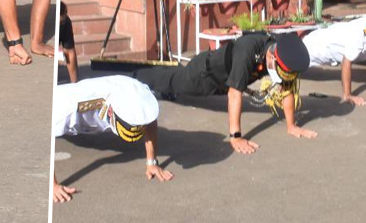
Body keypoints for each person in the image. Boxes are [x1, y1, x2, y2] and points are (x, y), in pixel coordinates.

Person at [133, 32, 313, 154]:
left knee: (173, 82)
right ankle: (136, 76)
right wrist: (236, 137)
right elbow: (235, 93)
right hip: (205, 73)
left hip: (224, 82)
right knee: (174, 82)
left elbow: (287, 89)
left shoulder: (279, 53)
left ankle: (158, 81)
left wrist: (292, 126)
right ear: (272, 57)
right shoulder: (248, 50)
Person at [52, 75, 171, 202]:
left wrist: (151, 163)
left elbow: (149, 119)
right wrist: (52, 185)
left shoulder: (139, 93)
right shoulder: (66, 109)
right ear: (110, 112)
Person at [57, 1, 78, 84]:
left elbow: (69, 51)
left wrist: (74, 82)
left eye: (61, 22)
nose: (60, 25)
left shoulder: (66, 22)